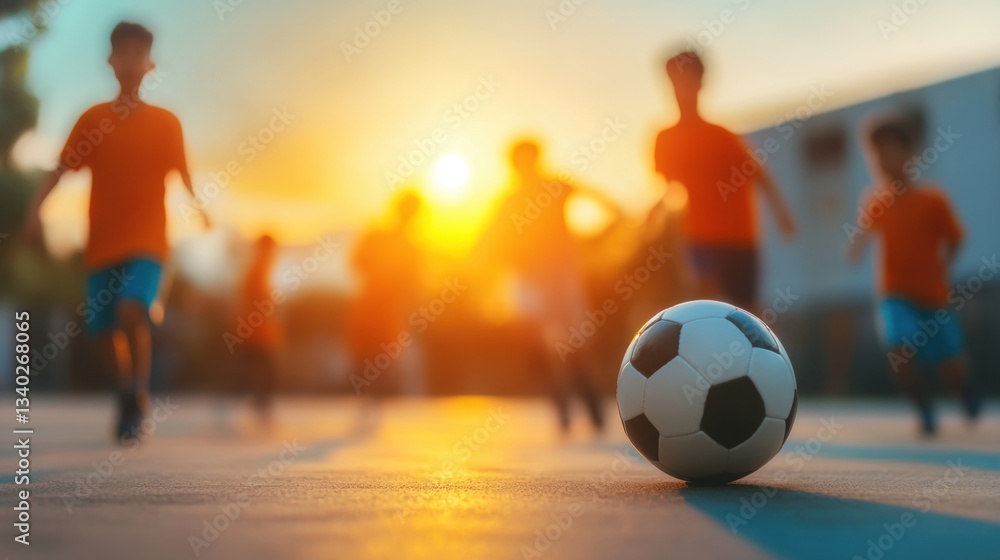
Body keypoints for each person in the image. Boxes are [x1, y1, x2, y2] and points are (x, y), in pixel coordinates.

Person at [24, 22, 206, 442]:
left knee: (131, 309)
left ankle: (134, 392)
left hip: (149, 242)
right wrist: (36, 211)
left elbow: (184, 172)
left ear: (150, 63)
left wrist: (200, 208)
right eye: (121, 52)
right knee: (103, 332)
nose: (129, 60)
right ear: (110, 61)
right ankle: (127, 386)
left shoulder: (167, 123)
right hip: (103, 245)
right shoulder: (93, 119)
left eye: (137, 53)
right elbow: (60, 169)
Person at [848, 119, 979, 436]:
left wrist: (941, 269)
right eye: (875, 153)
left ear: (909, 154)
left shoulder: (933, 200)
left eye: (889, 150)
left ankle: (964, 394)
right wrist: (856, 247)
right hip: (895, 295)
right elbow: (862, 236)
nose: (881, 159)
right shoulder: (875, 202)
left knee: (953, 366)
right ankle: (925, 411)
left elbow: (956, 238)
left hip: (933, 297)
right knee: (898, 349)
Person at [481, 139, 619, 434]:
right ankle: (559, 402)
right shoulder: (509, 200)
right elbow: (490, 235)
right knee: (532, 341)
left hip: (561, 274)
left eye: (529, 159)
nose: (525, 166)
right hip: (528, 278)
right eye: (519, 161)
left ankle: (592, 408)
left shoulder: (557, 186)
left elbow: (598, 198)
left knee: (575, 343)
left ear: (537, 159)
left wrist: (613, 221)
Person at [652, 50, 795, 312]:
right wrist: (654, 210)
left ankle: (763, 352)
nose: (681, 88)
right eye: (675, 81)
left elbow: (759, 176)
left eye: (688, 80)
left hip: (738, 237)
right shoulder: (665, 139)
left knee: (748, 313)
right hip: (699, 238)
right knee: (705, 307)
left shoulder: (722, 137)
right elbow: (670, 185)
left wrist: (782, 214)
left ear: (701, 84)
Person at [348, 191, 426, 399]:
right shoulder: (377, 238)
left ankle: (377, 400)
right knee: (366, 357)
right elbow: (356, 263)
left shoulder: (411, 248)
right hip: (371, 308)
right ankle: (367, 398)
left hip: (390, 312)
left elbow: (414, 285)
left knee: (385, 363)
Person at [236, 234, 282, 424]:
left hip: (260, 331)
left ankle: (260, 402)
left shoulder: (261, 269)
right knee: (263, 368)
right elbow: (255, 300)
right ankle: (259, 402)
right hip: (255, 331)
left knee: (262, 368)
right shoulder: (257, 271)